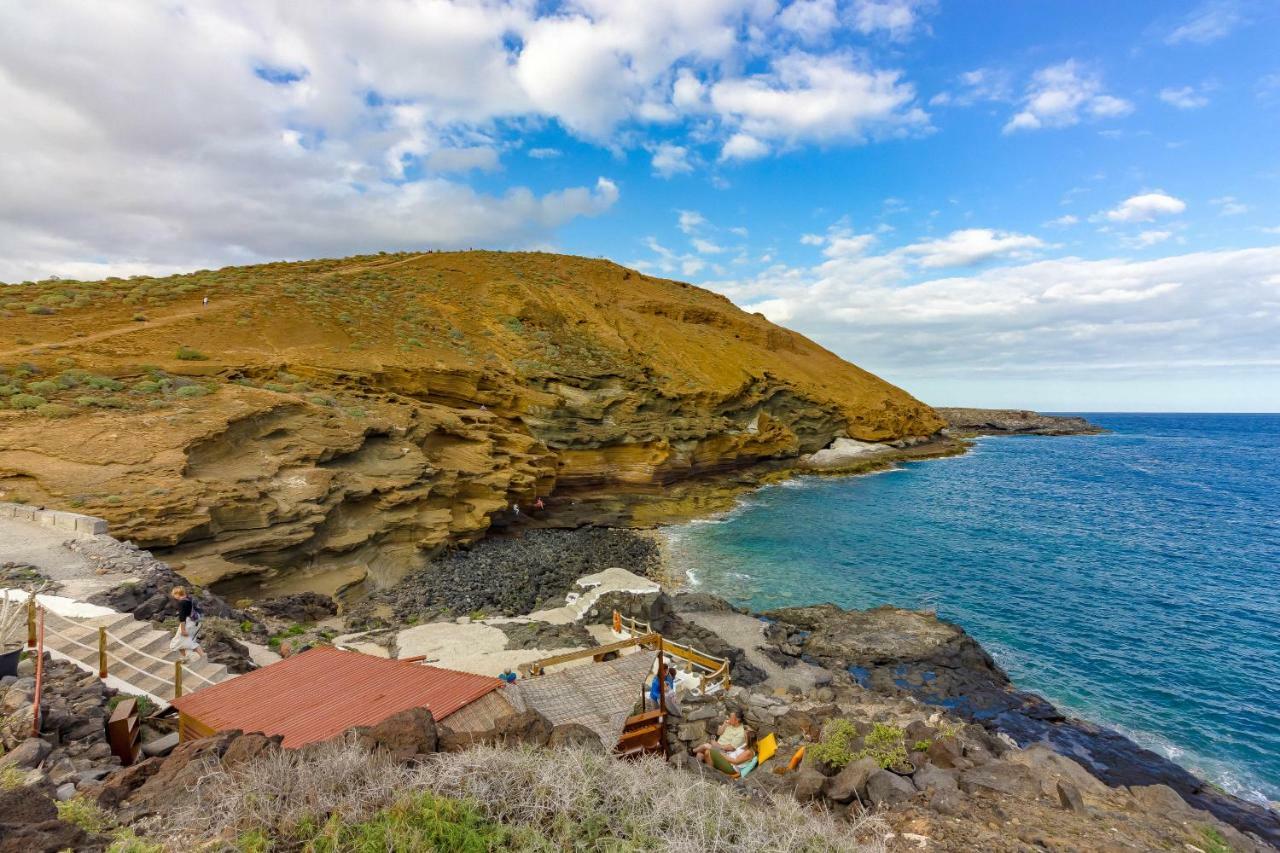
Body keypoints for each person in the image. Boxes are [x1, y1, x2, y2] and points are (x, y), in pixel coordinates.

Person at [168, 586, 204, 661]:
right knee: (188, 641)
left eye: (174, 594)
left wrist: (183, 629)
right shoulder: (189, 599)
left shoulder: (182, 603)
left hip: (188, 624)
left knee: (176, 643)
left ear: (178, 594)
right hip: (196, 623)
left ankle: (188, 658)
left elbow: (182, 617)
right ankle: (202, 657)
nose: (174, 597)